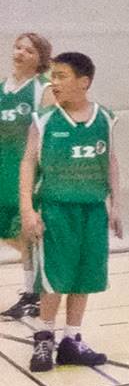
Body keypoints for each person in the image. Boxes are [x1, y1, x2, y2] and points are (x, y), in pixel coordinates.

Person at [20, 52, 121, 372]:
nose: (54, 82)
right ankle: (44, 337)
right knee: (55, 278)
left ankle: (71, 341)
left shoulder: (104, 118)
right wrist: (27, 210)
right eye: (53, 76)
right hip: (55, 210)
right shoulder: (44, 120)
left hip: (93, 209)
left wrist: (116, 205)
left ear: (83, 82)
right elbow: (28, 163)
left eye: (61, 76)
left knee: (84, 276)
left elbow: (111, 161)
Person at [1, 32, 53, 319]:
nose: (20, 53)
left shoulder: (42, 90)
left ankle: (33, 293)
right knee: (12, 233)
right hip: (3, 170)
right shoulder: (2, 89)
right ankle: (38, 282)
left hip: (28, 172)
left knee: (27, 231)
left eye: (28, 51)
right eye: (18, 48)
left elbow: (51, 135)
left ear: (40, 59)